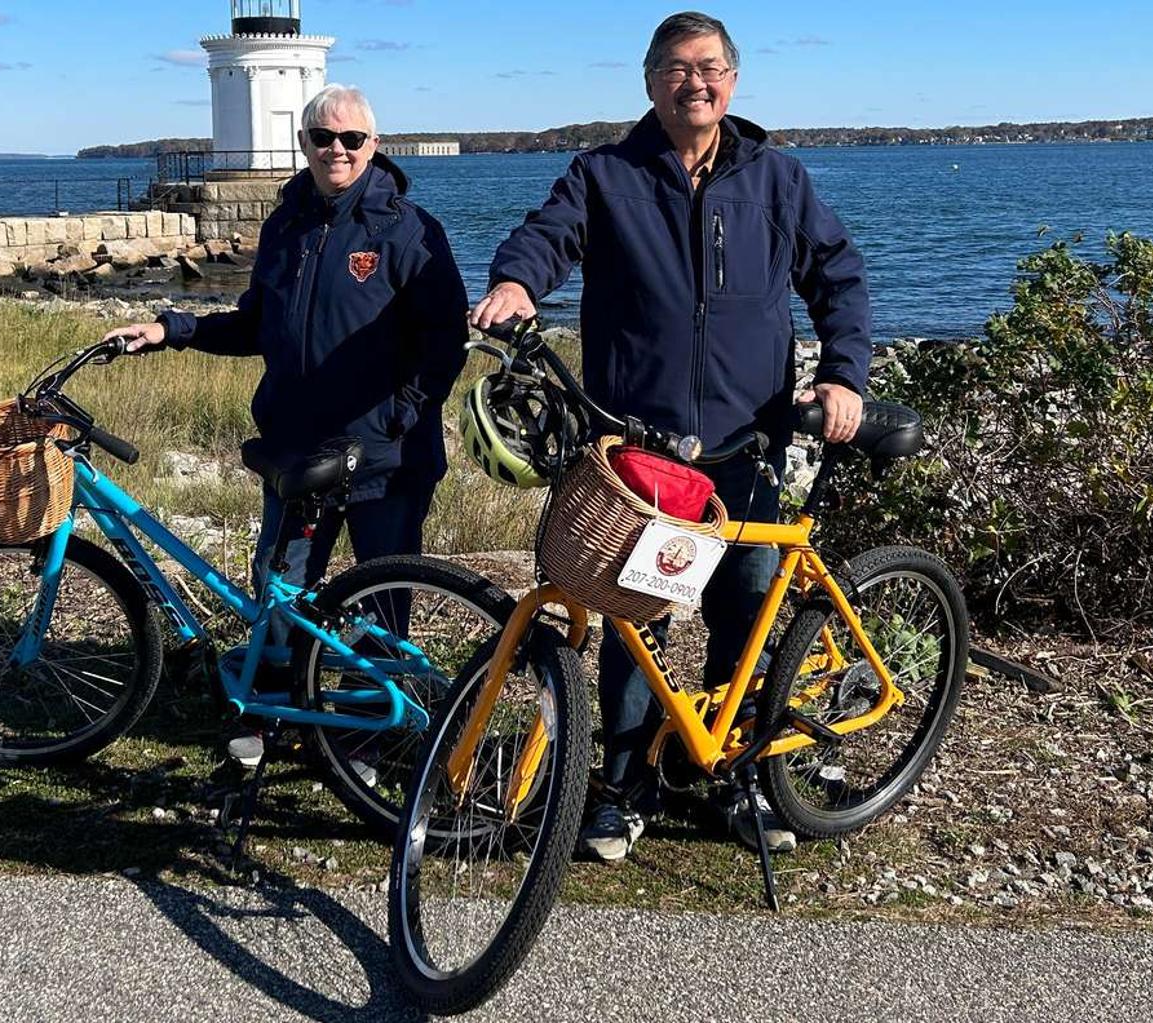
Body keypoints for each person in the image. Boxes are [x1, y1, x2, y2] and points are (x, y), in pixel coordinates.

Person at [471, 11, 874, 862]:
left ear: (734, 80)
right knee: (632, 619)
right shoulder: (606, 174)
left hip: (747, 443)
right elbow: (549, 236)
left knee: (744, 610)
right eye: (678, 69)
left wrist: (845, 374)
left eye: (711, 68)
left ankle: (736, 777)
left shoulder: (777, 179)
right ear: (650, 81)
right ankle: (623, 788)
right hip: (641, 452)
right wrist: (515, 282)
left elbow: (837, 275)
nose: (696, 82)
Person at [106, 84, 469, 768]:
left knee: (379, 598)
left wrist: (399, 416)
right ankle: (270, 712)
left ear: (374, 145)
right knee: (281, 585)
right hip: (295, 450)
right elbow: (255, 323)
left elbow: (445, 339)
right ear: (303, 143)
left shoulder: (409, 230)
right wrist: (173, 328)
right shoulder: (286, 225)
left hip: (385, 455)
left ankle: (370, 731)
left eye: (351, 139)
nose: (336, 149)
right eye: (322, 137)